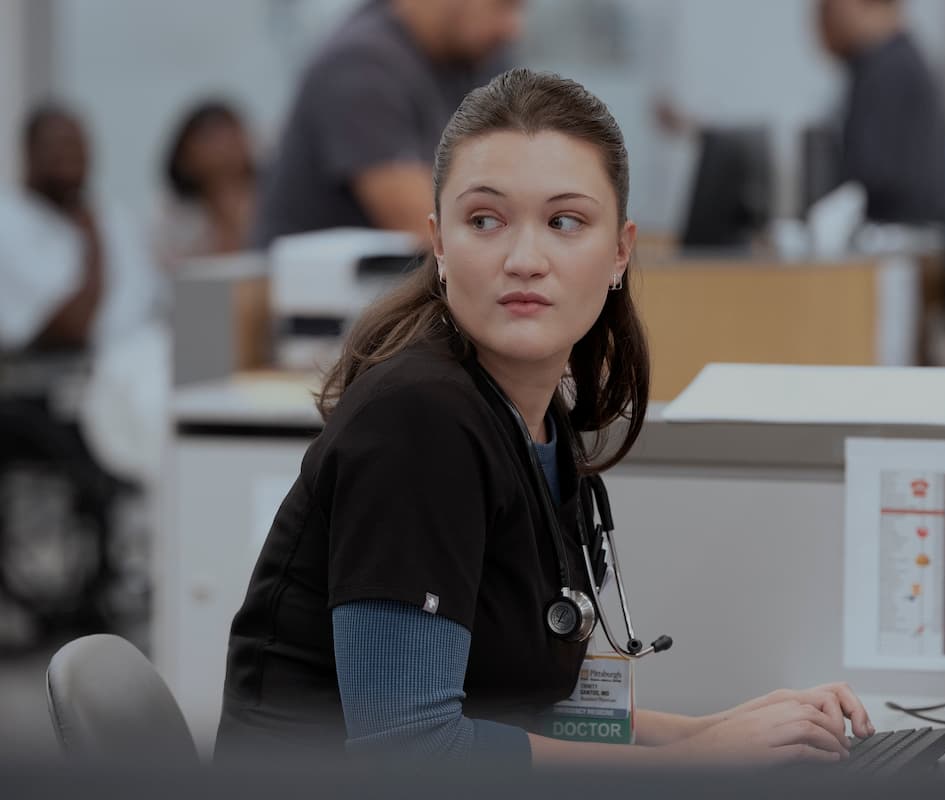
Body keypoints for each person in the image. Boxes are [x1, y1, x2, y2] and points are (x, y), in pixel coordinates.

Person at [216, 68, 874, 765]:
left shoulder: (535, 423)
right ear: (439, 243)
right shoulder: (417, 422)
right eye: (485, 221)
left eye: (565, 222)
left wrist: (718, 729)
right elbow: (408, 751)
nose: (525, 259)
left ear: (620, 251)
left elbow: (520, 709)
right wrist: (697, 762)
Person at [251, 0, 524, 248]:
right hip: (307, 295)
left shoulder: (474, 58)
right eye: (504, 5)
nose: (513, 28)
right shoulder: (361, 65)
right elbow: (427, 229)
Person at [0, 103, 160, 352]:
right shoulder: (8, 222)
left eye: (78, 145)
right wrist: (93, 243)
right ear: (30, 151)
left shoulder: (116, 219)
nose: (70, 156)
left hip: (137, 368)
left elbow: (148, 309)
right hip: (50, 380)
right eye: (58, 144)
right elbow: (68, 331)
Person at [817, 0, 945, 225]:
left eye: (828, 6)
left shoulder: (887, 69)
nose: (821, 18)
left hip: (894, 238)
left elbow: (866, 182)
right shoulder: (894, 60)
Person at [155, 100, 257, 270]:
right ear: (185, 155)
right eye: (211, 136)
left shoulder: (273, 200)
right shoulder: (174, 215)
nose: (224, 145)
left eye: (229, 133)